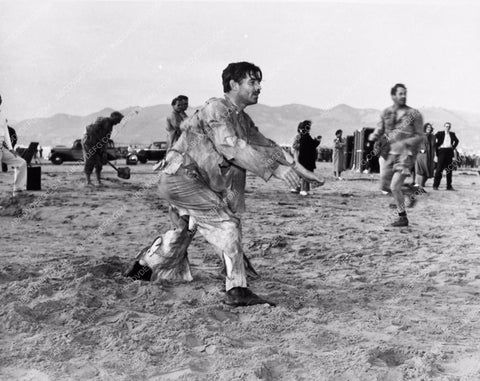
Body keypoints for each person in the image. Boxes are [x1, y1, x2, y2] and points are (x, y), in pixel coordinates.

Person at [124, 62, 324, 307]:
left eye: (259, 82)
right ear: (233, 84)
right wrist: (276, 169)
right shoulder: (217, 109)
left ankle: (141, 268)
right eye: (252, 82)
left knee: (182, 233)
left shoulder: (242, 119)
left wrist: (300, 170)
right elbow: (231, 147)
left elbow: (268, 146)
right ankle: (236, 289)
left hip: (192, 181)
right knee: (226, 224)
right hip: (183, 178)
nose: (259, 87)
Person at [369, 83, 424, 227]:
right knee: (385, 186)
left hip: (405, 155)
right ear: (393, 95)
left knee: (394, 186)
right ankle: (409, 191)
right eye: (400, 93)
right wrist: (374, 135)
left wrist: (405, 143)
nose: (403, 96)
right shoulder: (386, 112)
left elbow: (420, 136)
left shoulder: (414, 114)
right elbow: (381, 128)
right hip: (389, 153)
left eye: (405, 93)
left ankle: (402, 218)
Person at [81, 111, 124, 186]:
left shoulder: (110, 126)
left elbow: (105, 140)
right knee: (90, 161)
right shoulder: (103, 120)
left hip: (97, 144)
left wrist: (103, 151)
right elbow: (90, 130)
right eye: (118, 120)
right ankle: (88, 181)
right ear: (113, 117)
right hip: (89, 142)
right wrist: (96, 146)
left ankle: (98, 181)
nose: (119, 122)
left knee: (99, 162)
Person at [0, 95, 27, 196]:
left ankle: (18, 190)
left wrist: (11, 149)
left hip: (2, 148)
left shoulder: (2, 117)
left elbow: (6, 133)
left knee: (22, 163)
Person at [291, 120, 321, 196]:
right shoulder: (300, 137)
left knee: (301, 174)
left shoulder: (304, 137)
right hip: (302, 159)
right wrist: (317, 141)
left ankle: (297, 188)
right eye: (307, 127)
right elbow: (295, 146)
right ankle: (303, 189)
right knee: (305, 174)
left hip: (301, 159)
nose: (308, 129)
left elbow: (311, 145)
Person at [432, 122, 459, 191]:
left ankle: (449, 186)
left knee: (449, 170)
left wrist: (453, 147)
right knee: (439, 169)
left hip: (449, 152)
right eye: (446, 126)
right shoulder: (440, 133)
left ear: (450, 127)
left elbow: (457, 141)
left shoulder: (452, 134)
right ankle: (435, 185)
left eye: (449, 126)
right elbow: (433, 138)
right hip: (442, 151)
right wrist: (436, 146)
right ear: (444, 127)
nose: (448, 127)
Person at [415, 123, 436, 191]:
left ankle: (422, 184)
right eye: (427, 127)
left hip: (430, 156)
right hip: (421, 155)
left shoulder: (433, 136)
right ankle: (419, 186)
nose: (429, 128)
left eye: (430, 127)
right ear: (425, 128)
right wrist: (420, 150)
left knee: (428, 171)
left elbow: (434, 146)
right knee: (421, 170)